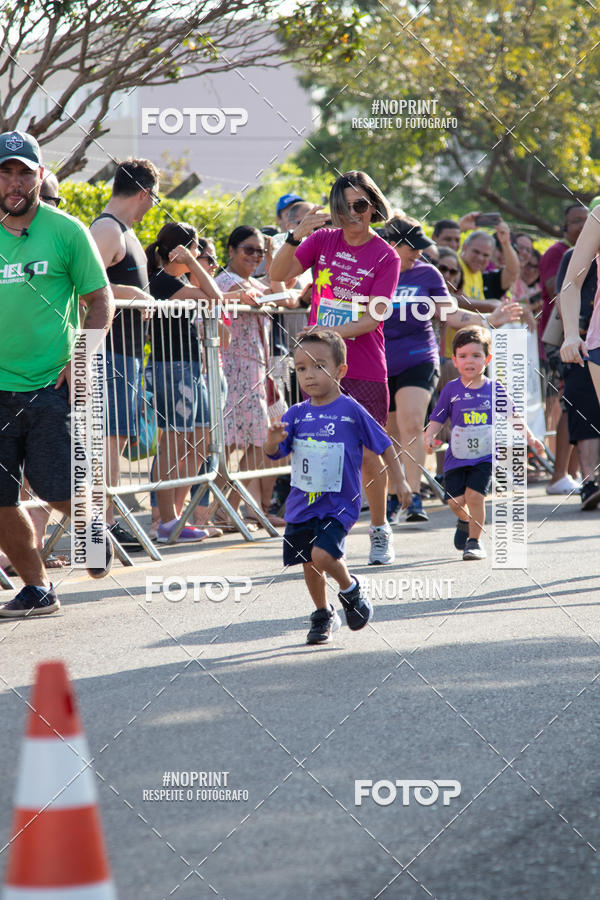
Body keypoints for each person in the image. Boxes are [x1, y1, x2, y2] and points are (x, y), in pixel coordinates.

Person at [0, 130, 115, 617]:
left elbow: (100, 298)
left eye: (24, 171)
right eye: (5, 171)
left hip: (51, 384)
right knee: (1, 500)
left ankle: (90, 528)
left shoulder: (66, 230)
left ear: (40, 176)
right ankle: (38, 587)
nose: (14, 181)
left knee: (54, 487)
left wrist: (83, 355)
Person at [270, 169, 401, 565]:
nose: (352, 214)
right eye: (343, 206)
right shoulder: (323, 240)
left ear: (374, 205)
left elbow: (373, 319)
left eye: (361, 205)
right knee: (320, 448)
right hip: (318, 365)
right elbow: (277, 276)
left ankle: (379, 528)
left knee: (364, 455)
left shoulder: (386, 255)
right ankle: (321, 532)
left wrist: (328, 335)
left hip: (362, 367)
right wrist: (296, 236)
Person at [264, 330, 412, 645]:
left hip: (340, 503)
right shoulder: (296, 414)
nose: (309, 375)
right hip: (302, 504)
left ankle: (350, 588)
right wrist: (273, 440)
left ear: (340, 370)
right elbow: (275, 452)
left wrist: (399, 480)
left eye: (319, 366)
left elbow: (384, 445)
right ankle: (322, 613)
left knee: (322, 554)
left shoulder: (351, 410)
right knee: (308, 561)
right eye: (301, 368)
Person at [381, 216, 523, 523]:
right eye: (412, 248)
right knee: (390, 433)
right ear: (392, 245)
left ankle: (415, 496)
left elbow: (450, 314)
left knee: (411, 423)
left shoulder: (427, 273)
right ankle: (397, 494)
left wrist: (487, 321)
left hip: (419, 357)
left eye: (421, 248)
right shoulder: (375, 271)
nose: (418, 254)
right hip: (380, 361)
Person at [424, 327, 543, 560]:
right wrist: (429, 437)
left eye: (476, 356)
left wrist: (529, 438)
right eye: (464, 356)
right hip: (456, 457)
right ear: (455, 361)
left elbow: (513, 416)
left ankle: (474, 542)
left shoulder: (494, 389)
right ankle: (464, 520)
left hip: (485, 456)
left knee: (475, 497)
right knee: (456, 502)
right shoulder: (451, 390)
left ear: (487, 359)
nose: (470, 361)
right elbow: (437, 419)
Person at [90, 158, 159, 551]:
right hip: (108, 352)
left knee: (114, 438)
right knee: (107, 441)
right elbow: (81, 286)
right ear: (145, 194)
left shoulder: (126, 232)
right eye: (153, 199)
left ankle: (108, 519)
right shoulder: (105, 229)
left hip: (128, 354)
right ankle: (103, 522)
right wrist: (130, 294)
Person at [145, 222, 224, 542]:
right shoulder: (163, 280)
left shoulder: (175, 280)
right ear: (180, 251)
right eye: (195, 250)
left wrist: (191, 265)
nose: (199, 255)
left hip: (189, 368)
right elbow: (214, 296)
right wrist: (193, 264)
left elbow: (212, 297)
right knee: (174, 444)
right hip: (172, 368)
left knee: (200, 439)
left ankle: (175, 516)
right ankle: (165, 521)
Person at [216, 225, 285, 527]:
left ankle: (226, 509)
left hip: (254, 373)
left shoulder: (249, 282)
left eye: (260, 251)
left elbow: (286, 293)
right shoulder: (225, 281)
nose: (255, 256)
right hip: (232, 373)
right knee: (230, 447)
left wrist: (275, 261)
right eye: (249, 249)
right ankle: (220, 509)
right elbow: (261, 295)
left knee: (256, 444)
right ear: (231, 251)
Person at [539, 205, 588, 495]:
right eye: (576, 221)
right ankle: (559, 474)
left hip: (583, 337)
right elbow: (557, 290)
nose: (583, 226)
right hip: (564, 339)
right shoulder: (561, 253)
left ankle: (571, 473)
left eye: (587, 220)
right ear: (563, 227)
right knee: (571, 405)